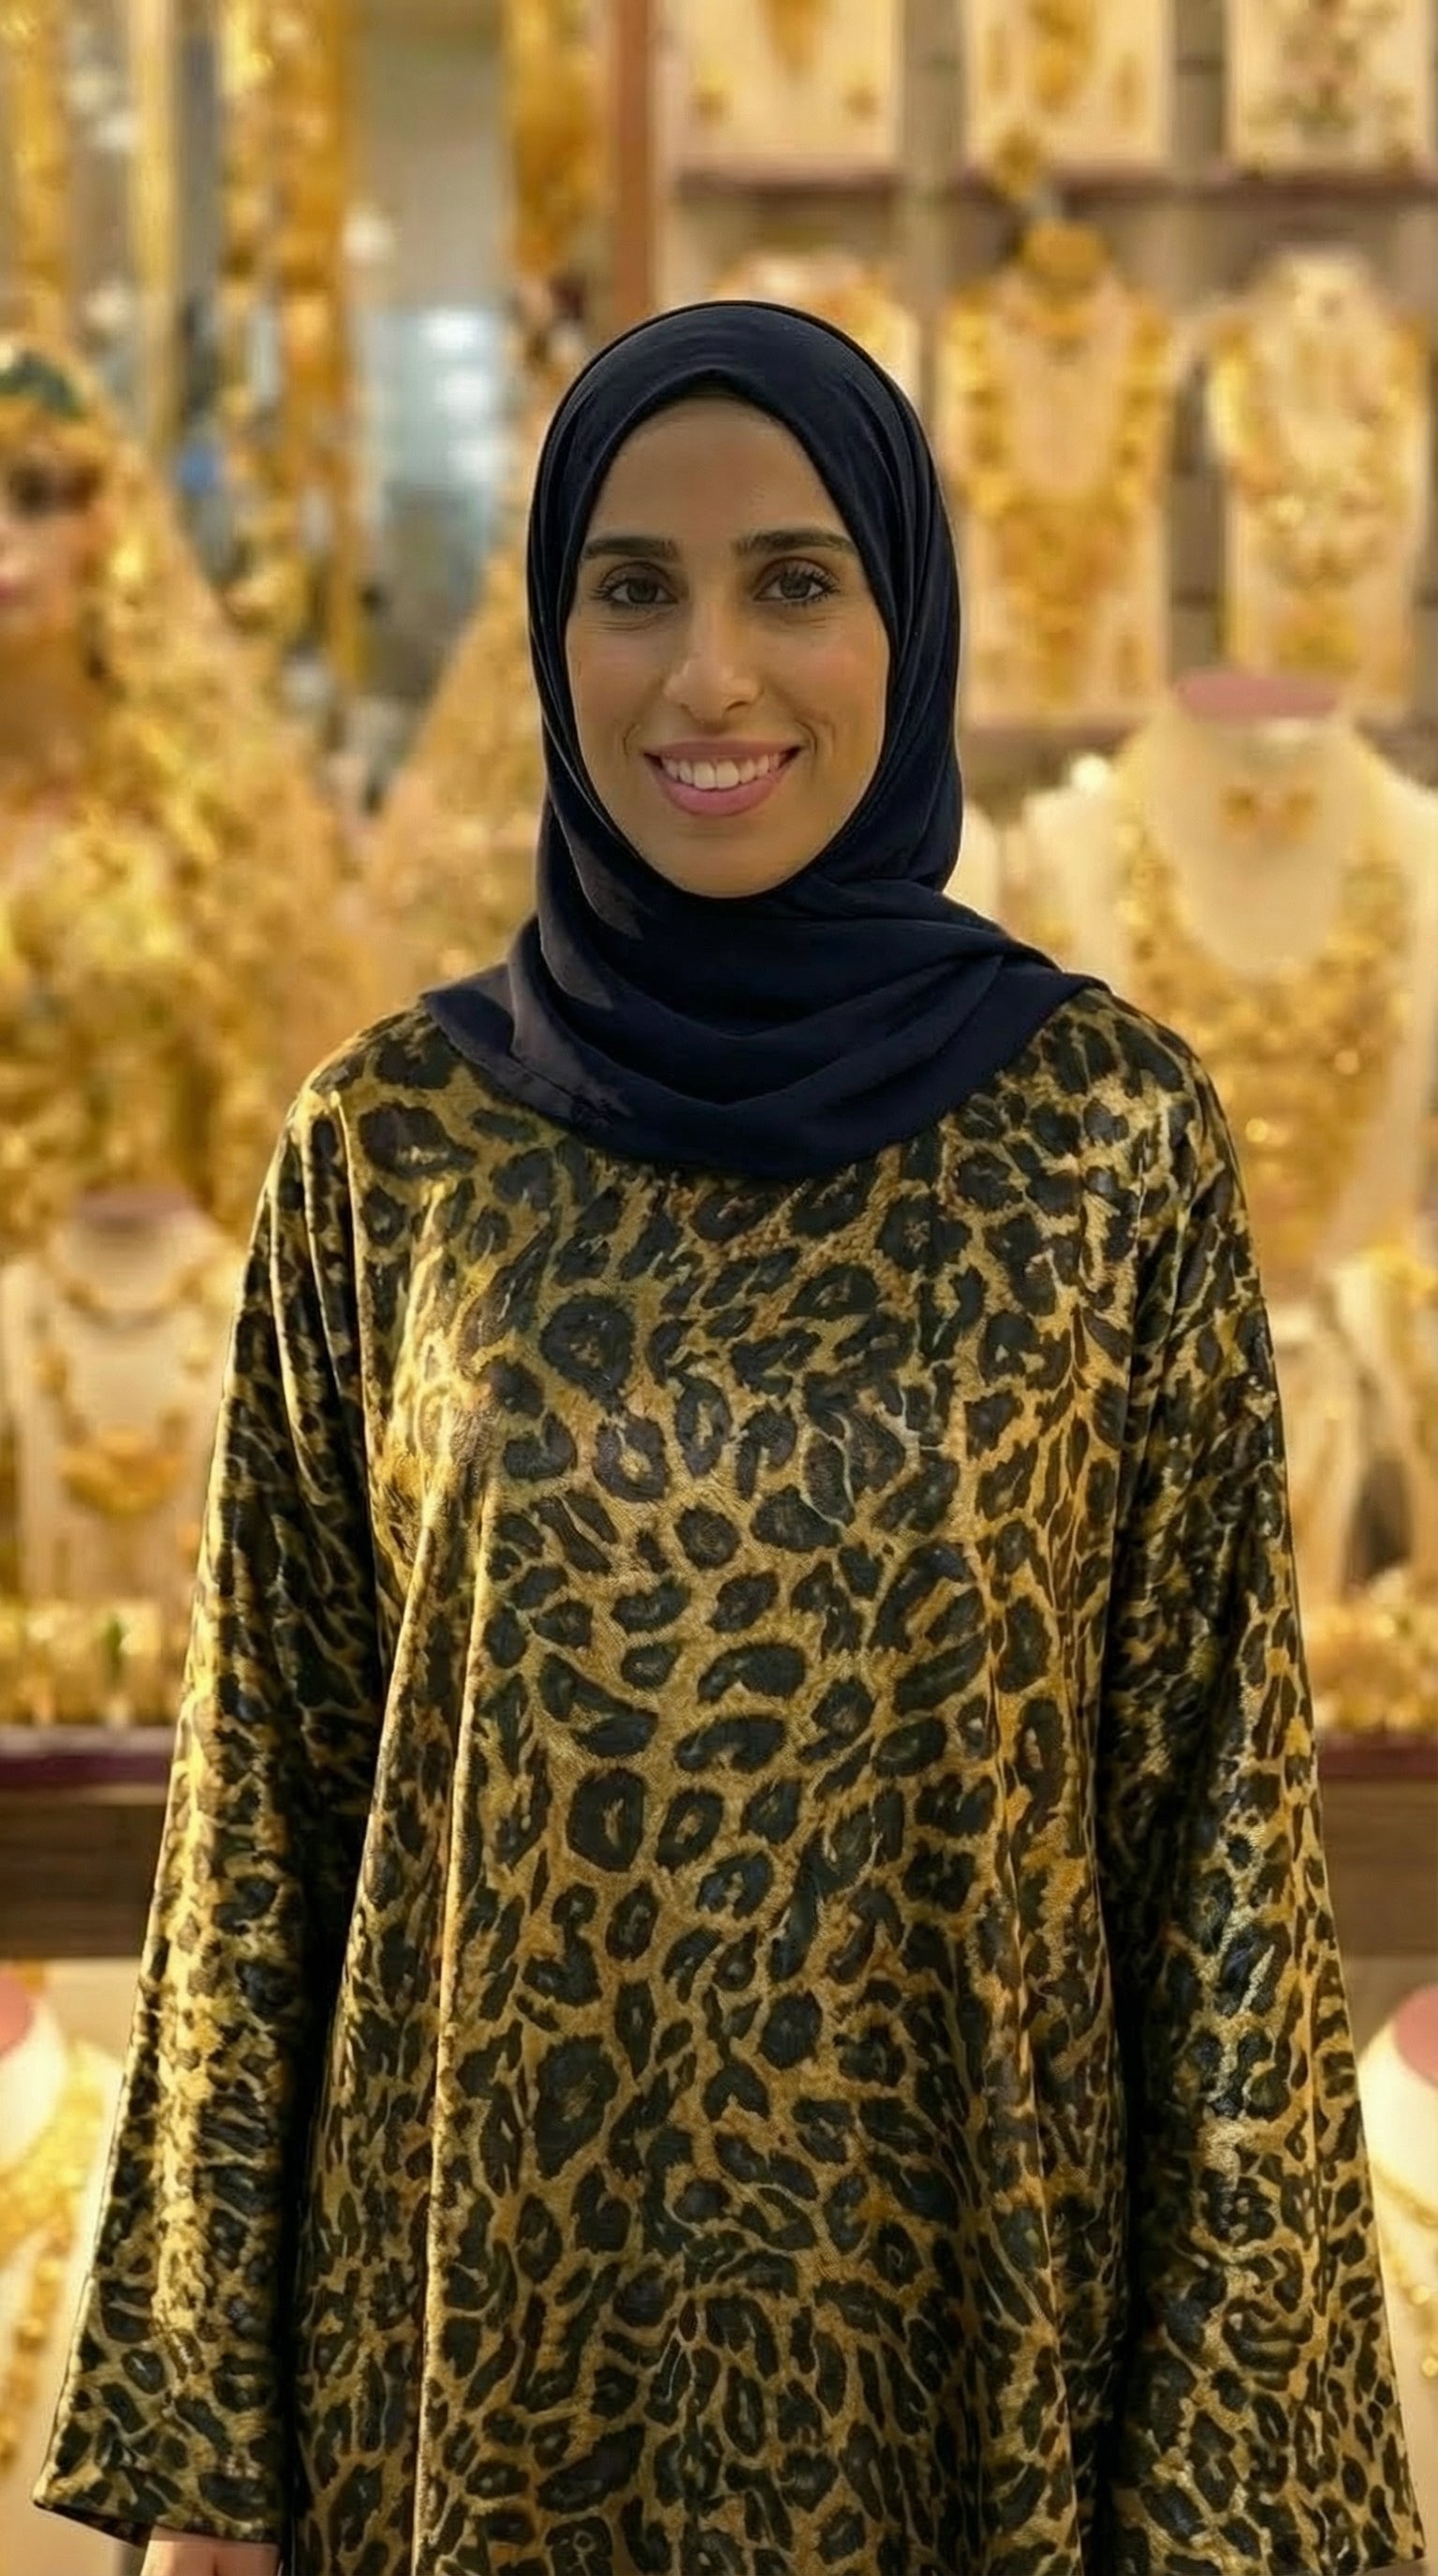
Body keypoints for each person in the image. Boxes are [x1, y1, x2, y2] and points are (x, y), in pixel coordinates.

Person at [36, 302, 1424, 2576]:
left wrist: (1232, 2499)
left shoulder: (1102, 1141)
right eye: (633, 586)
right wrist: (208, 2475)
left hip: (968, 2367)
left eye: (794, 581)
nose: (709, 679)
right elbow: (263, 1821)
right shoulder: (389, 1148)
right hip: (462, 2374)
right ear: (552, 627)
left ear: (906, 609)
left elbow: (1223, 1864)